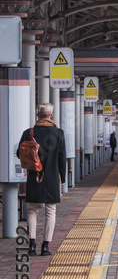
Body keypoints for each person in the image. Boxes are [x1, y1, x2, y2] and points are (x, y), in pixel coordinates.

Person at [18, 103, 66, 256]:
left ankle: (31, 244)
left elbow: (19, 154)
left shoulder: (29, 132)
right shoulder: (58, 133)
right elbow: (61, 157)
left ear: (37, 115)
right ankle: (45, 246)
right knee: (50, 211)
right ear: (51, 115)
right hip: (51, 177)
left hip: (34, 176)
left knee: (32, 210)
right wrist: (62, 178)